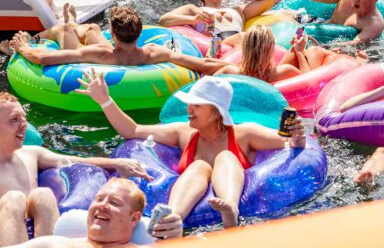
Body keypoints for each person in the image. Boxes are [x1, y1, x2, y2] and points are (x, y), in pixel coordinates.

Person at [76, 74, 307, 227]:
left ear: (216, 111)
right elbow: (133, 130)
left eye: (196, 105)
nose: (189, 109)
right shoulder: (183, 133)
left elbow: (287, 145)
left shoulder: (244, 134)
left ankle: (230, 209)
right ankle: (173, 217)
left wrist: (297, 136)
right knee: (199, 166)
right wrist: (104, 100)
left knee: (225, 156)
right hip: (191, 189)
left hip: (234, 193)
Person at [0, 92, 150, 246]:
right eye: (14, 119)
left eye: (24, 118)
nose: (24, 124)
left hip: (37, 234)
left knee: (42, 194)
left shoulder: (31, 153)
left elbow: (75, 161)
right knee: (14, 198)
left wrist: (117, 163)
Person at [9, 5, 221, 75]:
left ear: (112, 32)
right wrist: (236, 67)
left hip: (105, 60)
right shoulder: (154, 52)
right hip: (125, 54)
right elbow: (204, 64)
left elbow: (44, 58)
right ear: (139, 32)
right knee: (91, 27)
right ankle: (73, 23)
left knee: (63, 30)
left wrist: (24, 47)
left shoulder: (96, 54)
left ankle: (61, 27)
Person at [15, 178, 183, 246]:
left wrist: (176, 240)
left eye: (114, 202)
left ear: (134, 219)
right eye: (99, 199)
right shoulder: (56, 244)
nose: (102, 205)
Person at [159, 0, 277, 51]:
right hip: (215, 48)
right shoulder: (194, 10)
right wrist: (192, 19)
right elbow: (164, 20)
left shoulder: (239, 11)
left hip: (240, 50)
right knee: (242, 37)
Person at [215, 24, 346, 82]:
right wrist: (300, 53)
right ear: (271, 49)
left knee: (296, 49)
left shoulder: (230, 71)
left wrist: (211, 54)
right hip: (272, 76)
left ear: (245, 48)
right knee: (312, 51)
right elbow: (309, 82)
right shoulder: (284, 72)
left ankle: (299, 47)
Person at [305, 0, 384, 44]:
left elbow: (355, 44)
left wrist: (321, 47)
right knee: (295, 21)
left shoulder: (374, 24)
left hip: (329, 44)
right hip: (316, 27)